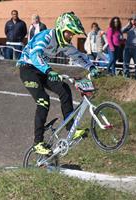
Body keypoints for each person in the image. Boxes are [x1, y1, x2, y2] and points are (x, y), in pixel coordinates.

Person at [17, 12, 99, 155]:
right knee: (43, 100)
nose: (71, 37)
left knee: (64, 89)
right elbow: (34, 55)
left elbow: (78, 56)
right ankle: (38, 143)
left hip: (42, 69)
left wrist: (91, 67)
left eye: (73, 34)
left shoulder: (64, 44)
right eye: (69, 33)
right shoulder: (46, 36)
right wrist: (49, 70)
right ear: (61, 29)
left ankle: (71, 129)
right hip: (28, 68)